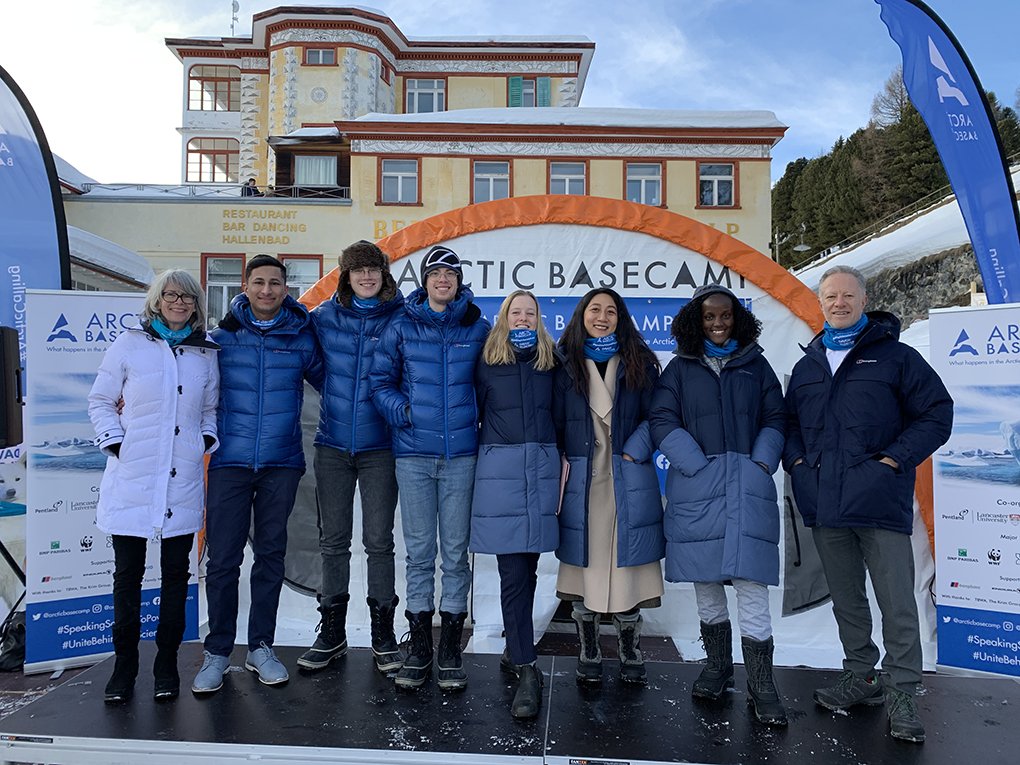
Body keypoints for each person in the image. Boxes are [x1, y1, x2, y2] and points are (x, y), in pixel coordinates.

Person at [784, 265, 952, 744]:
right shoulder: (809, 363)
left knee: (897, 603)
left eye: (847, 296)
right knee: (847, 601)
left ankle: (902, 691)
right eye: (830, 296)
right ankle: (862, 675)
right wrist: (796, 461)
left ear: (863, 299)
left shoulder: (897, 357)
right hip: (826, 503)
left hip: (879, 501)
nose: (838, 303)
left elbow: (938, 413)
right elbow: (790, 421)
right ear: (821, 303)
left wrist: (893, 461)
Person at [649, 284, 787, 726]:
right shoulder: (679, 369)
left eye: (725, 315)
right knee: (706, 583)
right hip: (698, 489)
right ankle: (717, 667)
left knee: (751, 586)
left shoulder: (757, 365)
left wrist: (761, 463)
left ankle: (762, 683)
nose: (718, 323)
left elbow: (776, 418)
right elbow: (661, 419)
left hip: (747, 487)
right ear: (696, 321)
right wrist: (694, 464)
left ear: (738, 318)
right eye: (709, 317)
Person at [191, 254, 323, 694]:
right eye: (259, 282)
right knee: (225, 559)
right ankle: (217, 652)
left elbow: (338, 384)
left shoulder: (302, 337)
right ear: (245, 287)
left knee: (270, 557)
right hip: (229, 463)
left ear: (286, 289)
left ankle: (261, 646)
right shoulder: (219, 339)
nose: (267, 290)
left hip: (281, 464)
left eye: (275, 284)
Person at [88, 269, 219, 703]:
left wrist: (205, 439)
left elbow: (210, 408)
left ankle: (166, 666)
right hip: (133, 478)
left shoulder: (205, 352)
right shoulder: (129, 344)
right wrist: (115, 442)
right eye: (171, 295)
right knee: (127, 575)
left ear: (197, 305)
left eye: (187, 297)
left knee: (176, 577)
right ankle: (123, 668)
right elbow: (101, 399)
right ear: (157, 300)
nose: (179, 303)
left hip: (181, 482)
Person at [370, 245, 490, 690]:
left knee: (456, 554)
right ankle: (419, 648)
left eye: (451, 274)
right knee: (420, 553)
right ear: (425, 280)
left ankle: (451, 649)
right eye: (436, 273)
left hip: (461, 456)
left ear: (459, 282)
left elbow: (493, 382)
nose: (444, 280)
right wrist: (401, 410)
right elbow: (379, 382)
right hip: (413, 455)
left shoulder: (476, 327)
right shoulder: (400, 325)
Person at [301, 240, 405, 674]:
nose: (366, 277)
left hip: (381, 447)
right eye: (357, 270)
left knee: (380, 543)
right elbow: (306, 358)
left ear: (383, 275)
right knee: (333, 542)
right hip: (332, 445)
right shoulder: (324, 316)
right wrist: (336, 389)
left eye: (373, 270)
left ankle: (383, 631)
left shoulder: (400, 317)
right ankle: (333, 632)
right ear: (345, 275)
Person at [553, 287, 663, 686]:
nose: (602, 317)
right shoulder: (562, 363)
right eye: (595, 309)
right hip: (583, 477)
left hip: (628, 475)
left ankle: (631, 648)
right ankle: (589, 647)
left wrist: (635, 450)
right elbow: (549, 417)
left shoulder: (641, 362)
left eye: (611, 311)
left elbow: (660, 415)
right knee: (586, 564)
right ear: (582, 315)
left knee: (630, 562)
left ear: (621, 317)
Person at [471, 290, 560, 718]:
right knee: (512, 571)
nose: (522, 319)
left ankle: (514, 647)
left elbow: (562, 417)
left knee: (530, 566)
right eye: (515, 312)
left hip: (540, 470)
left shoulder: (551, 361)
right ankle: (527, 667)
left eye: (530, 313)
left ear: (539, 320)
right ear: (503, 318)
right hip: (501, 472)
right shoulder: (486, 359)